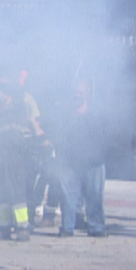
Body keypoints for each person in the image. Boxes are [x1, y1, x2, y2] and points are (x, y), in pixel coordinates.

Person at [52, 79, 107, 238]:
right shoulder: (65, 113)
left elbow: (104, 135)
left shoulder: (96, 112)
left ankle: (96, 227)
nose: (77, 95)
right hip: (70, 163)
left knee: (95, 196)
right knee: (68, 198)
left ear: (87, 93)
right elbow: (59, 135)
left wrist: (98, 154)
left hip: (93, 162)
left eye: (80, 92)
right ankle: (67, 228)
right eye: (75, 92)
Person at [0, 81, 34, 242]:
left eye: (0, 92)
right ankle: (3, 227)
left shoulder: (18, 106)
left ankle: (22, 227)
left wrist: (4, 107)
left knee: (16, 191)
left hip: (14, 154)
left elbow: (24, 118)